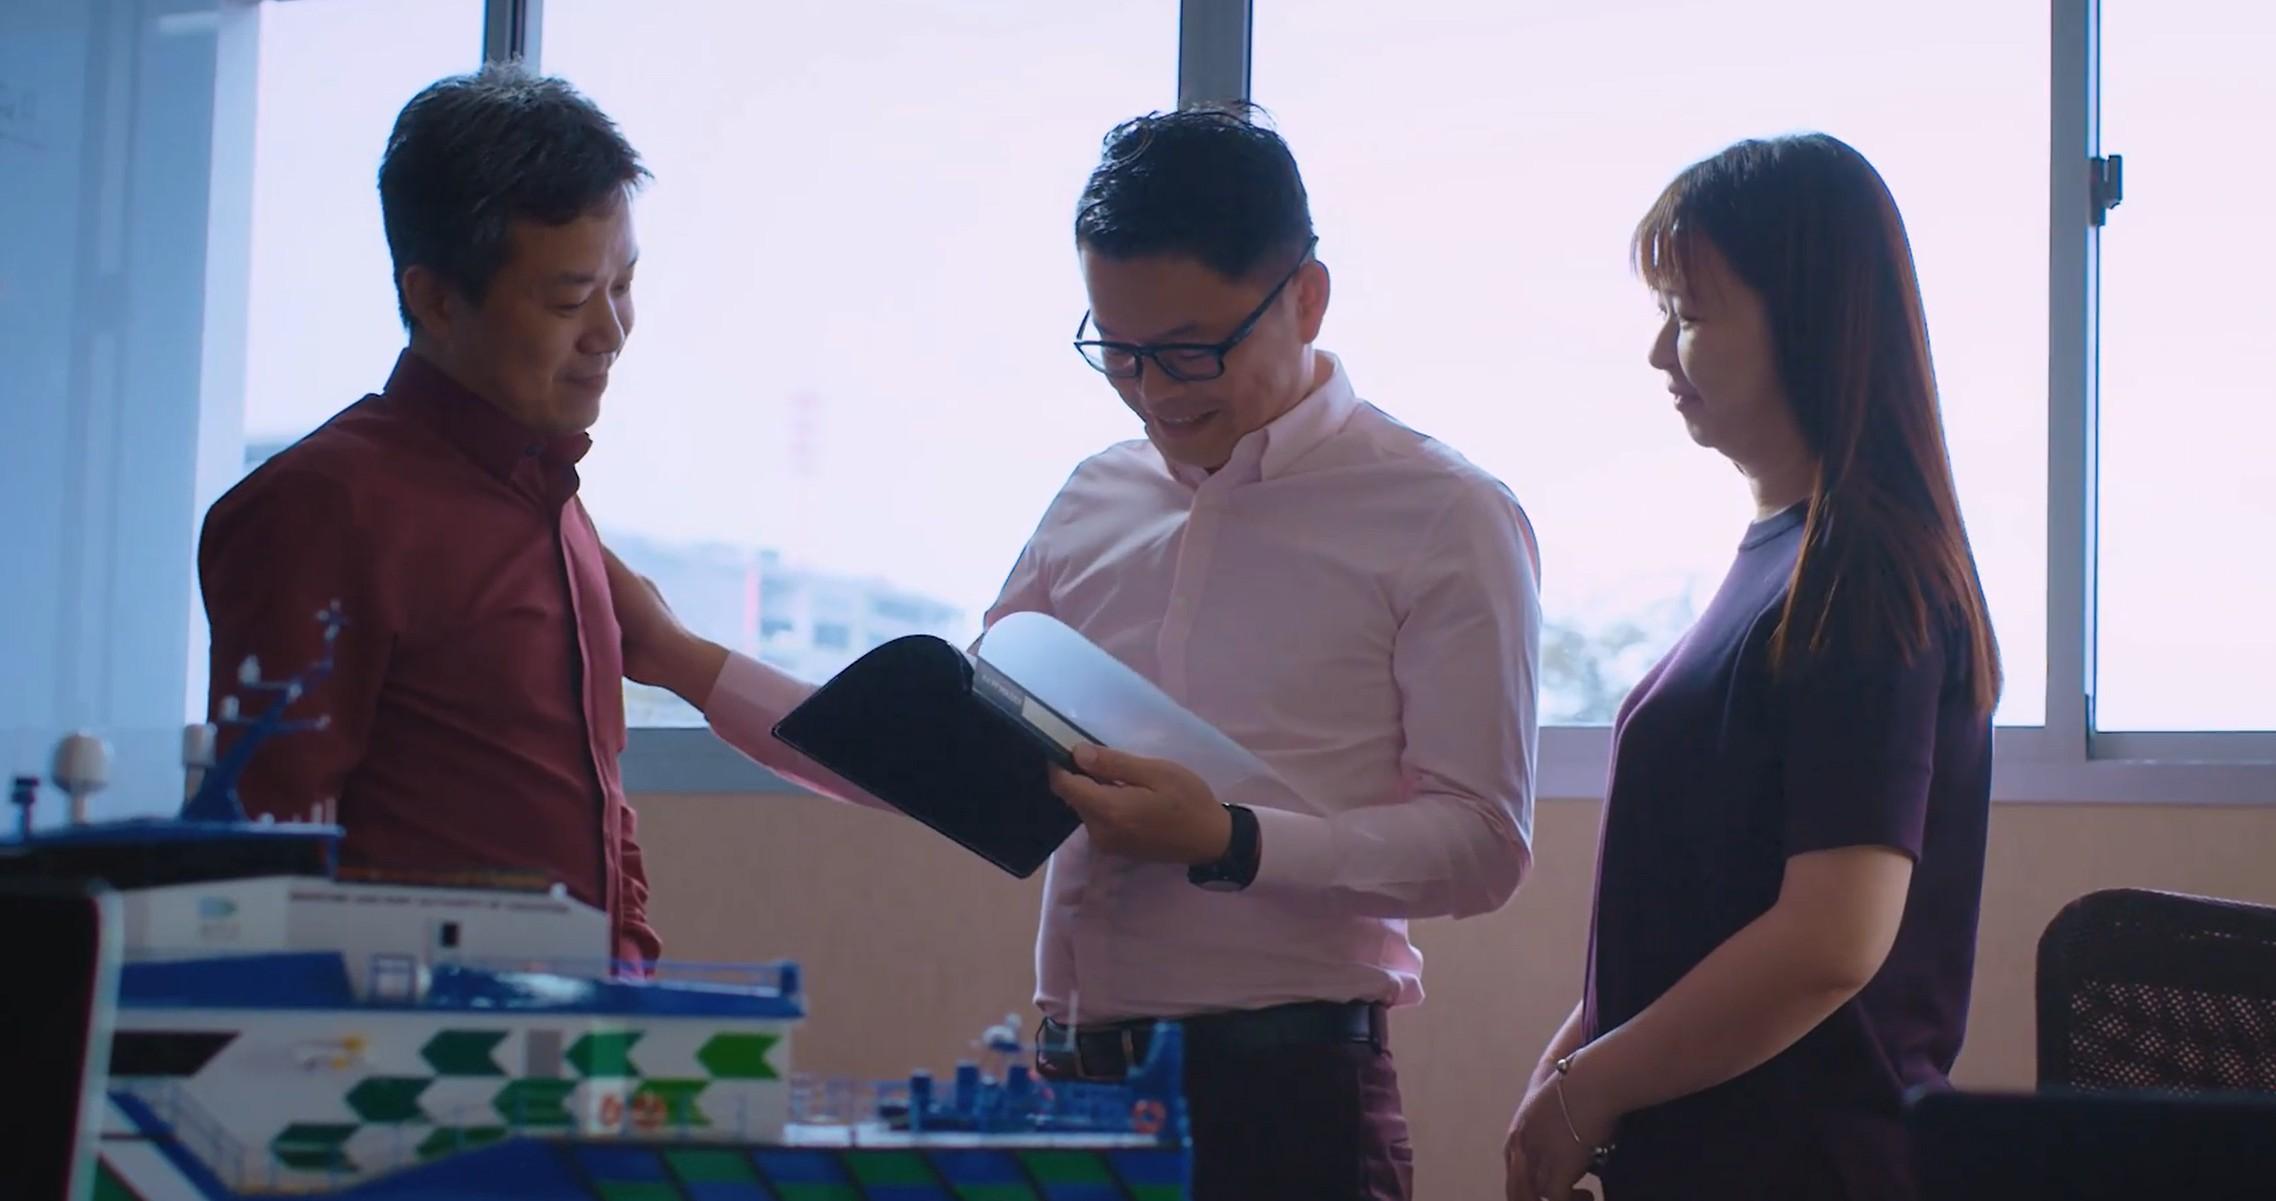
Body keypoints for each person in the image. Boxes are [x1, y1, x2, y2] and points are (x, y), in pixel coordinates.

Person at [609, 105, 1541, 1201]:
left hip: (1285, 1104)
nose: (1154, 391)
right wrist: (677, 657)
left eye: (1191, 351)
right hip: (1069, 1093)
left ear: (1306, 295)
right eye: (1118, 352)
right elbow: (927, 753)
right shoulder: (1093, 496)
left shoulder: (1442, 513)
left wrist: (1231, 838)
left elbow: (1480, 843)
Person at [1502, 133, 2001, 1201]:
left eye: (1686, 315)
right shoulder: (1783, 552)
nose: (1657, 356)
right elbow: (1701, 900)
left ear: (1806, 324)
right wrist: (1573, 1065)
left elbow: (1829, 938)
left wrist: (1588, 1089)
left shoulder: (1860, 571)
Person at [198, 63, 660, 965]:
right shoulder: (322, 507)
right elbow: (269, 855)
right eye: (570, 299)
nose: (610, 331)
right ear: (436, 297)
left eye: (624, 284)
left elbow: (601, 810)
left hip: (578, 1052)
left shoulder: (553, 502)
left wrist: (634, 972)